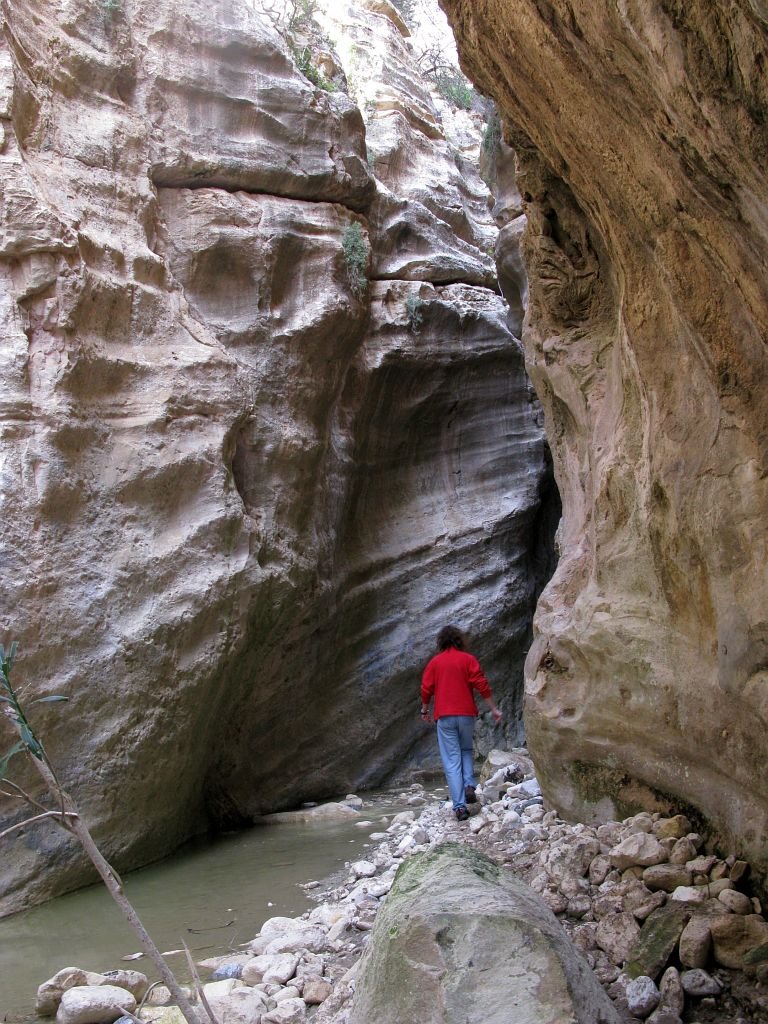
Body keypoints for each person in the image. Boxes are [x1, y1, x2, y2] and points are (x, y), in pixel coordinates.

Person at [420, 624, 502, 821]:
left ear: (441, 642)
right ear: (459, 640)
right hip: (466, 715)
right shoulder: (468, 660)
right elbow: (481, 684)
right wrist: (493, 708)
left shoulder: (435, 662)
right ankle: (468, 785)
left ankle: (459, 807)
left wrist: (424, 709)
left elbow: (426, 688)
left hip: (445, 717)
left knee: (451, 760)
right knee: (466, 750)